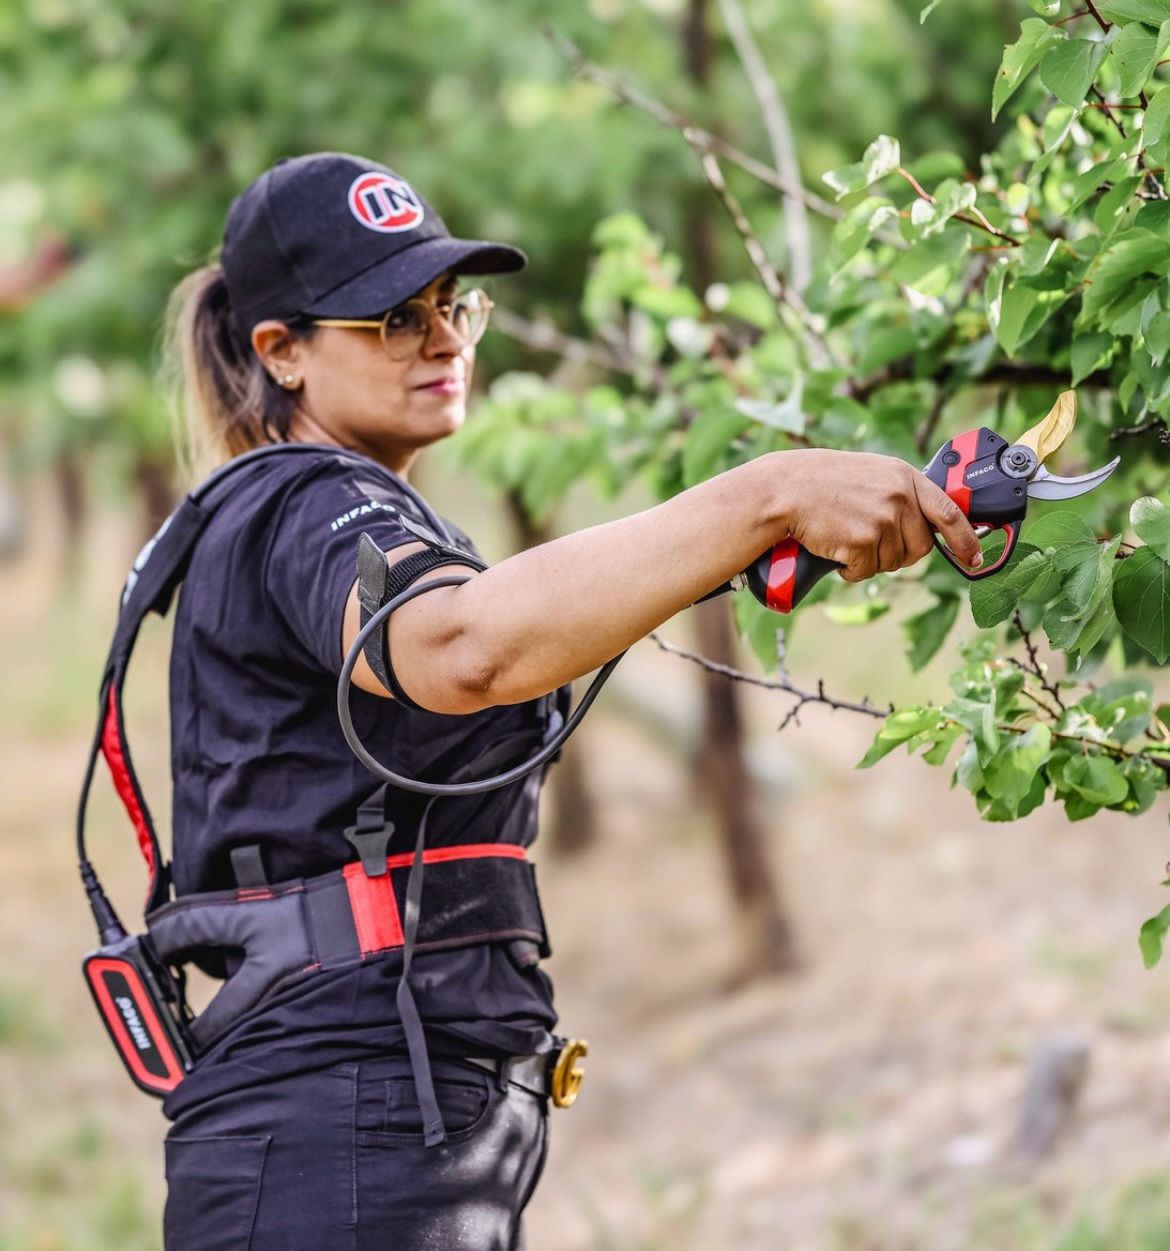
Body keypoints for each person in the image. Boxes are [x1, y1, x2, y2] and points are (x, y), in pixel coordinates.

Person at [156, 151, 982, 1251]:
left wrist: (757, 542)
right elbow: (465, 646)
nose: (445, 338)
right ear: (284, 351)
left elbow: (508, 626)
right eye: (395, 318)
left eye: (454, 306)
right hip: (337, 1133)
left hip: (365, 1116)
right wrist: (770, 489)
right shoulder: (312, 503)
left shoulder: (319, 508)